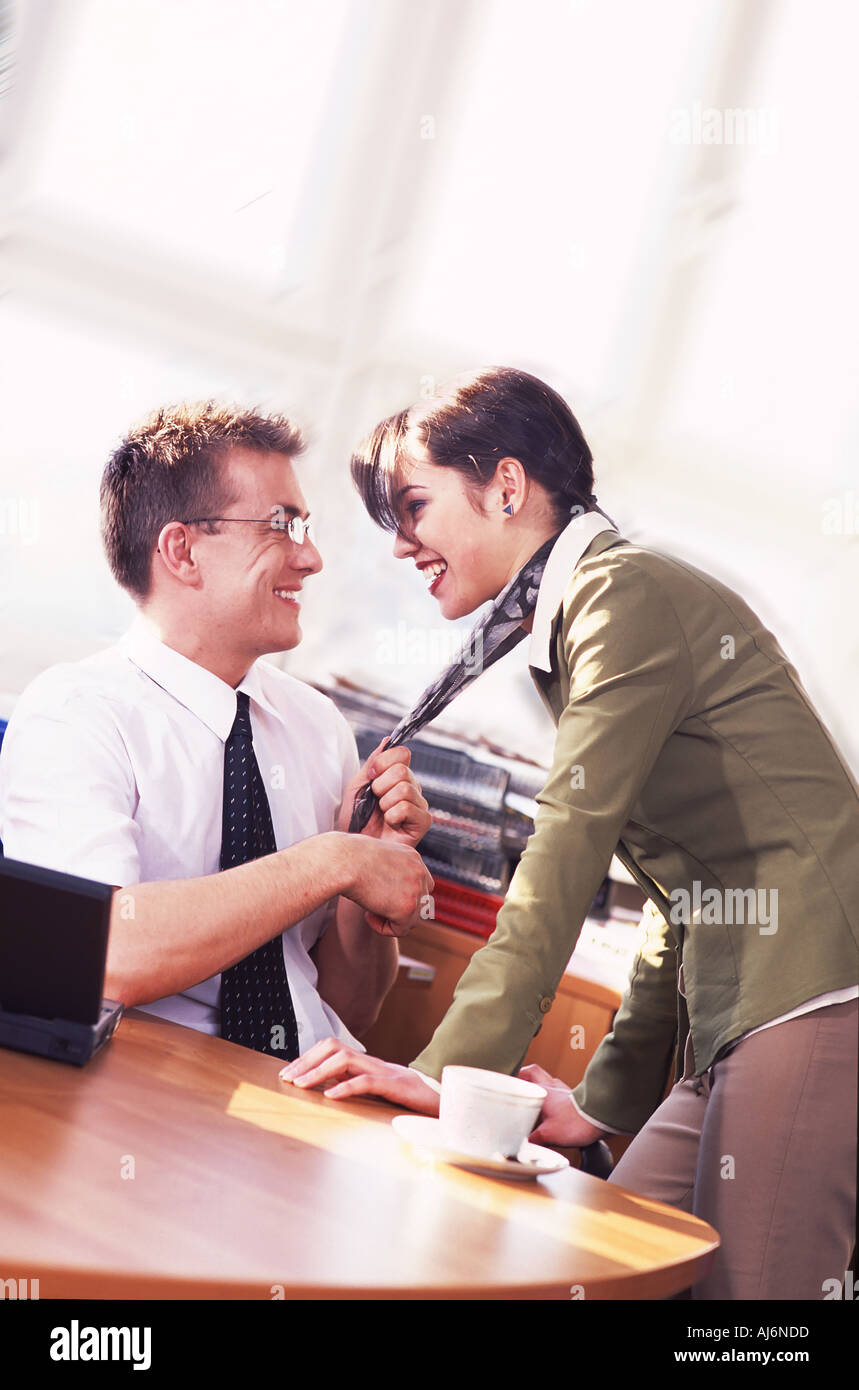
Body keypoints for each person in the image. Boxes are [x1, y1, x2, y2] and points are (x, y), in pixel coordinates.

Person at [281, 366, 859, 1299]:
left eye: (413, 506)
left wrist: (447, 1079)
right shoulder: (585, 618)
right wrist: (600, 1107)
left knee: (757, 1319)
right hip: (735, 1013)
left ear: (506, 488)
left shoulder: (622, 599)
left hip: (811, 990)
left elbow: (561, 861)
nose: (400, 546)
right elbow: (677, 892)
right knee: (598, 1270)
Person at [0, 401, 434, 1059]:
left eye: (306, 527)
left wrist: (366, 879)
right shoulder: (75, 714)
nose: (311, 557)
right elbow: (107, 957)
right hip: (148, 1083)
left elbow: (350, 1008)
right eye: (282, 526)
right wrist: (329, 861)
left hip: (308, 1084)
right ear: (182, 550)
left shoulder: (318, 728)